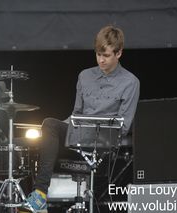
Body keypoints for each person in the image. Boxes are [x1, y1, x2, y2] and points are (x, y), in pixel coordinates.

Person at [24, 25, 140, 212]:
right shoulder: (85, 76)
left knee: (54, 132)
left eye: (106, 55)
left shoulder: (131, 82)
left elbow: (124, 126)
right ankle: (39, 195)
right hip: (78, 135)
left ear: (119, 53)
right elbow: (76, 113)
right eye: (98, 54)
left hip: (102, 142)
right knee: (49, 125)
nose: (101, 60)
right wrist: (60, 129)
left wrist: (96, 130)